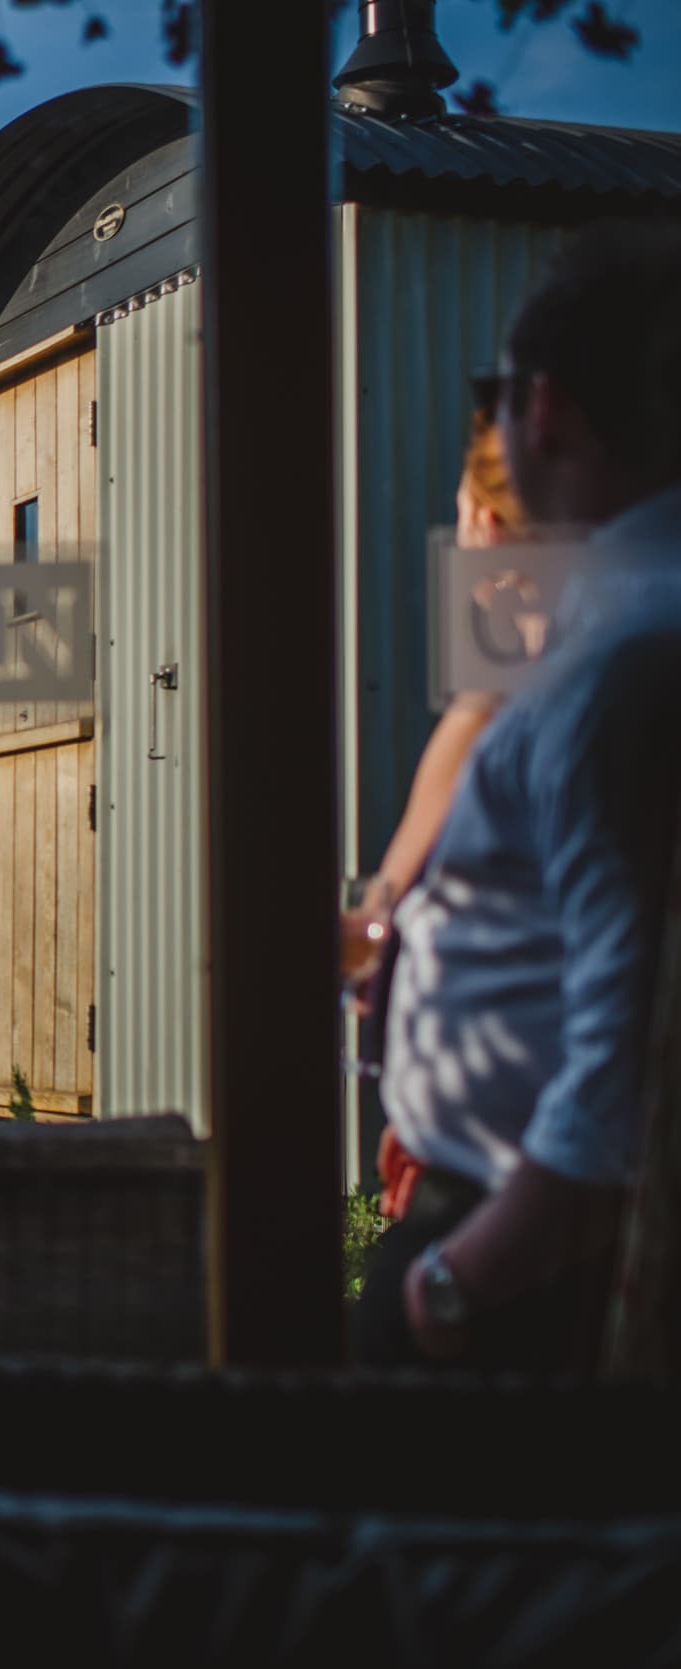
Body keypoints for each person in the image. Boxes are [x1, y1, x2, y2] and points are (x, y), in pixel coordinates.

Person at [358, 220, 681, 1370]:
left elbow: (630, 1048)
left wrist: (455, 1282)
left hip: (515, 1269)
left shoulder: (617, 666)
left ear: (542, 411)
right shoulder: (619, 634)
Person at [344, 412, 529, 1219]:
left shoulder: (496, 713)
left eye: (460, 513)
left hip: (502, 1199)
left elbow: (391, 920)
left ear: (486, 525)